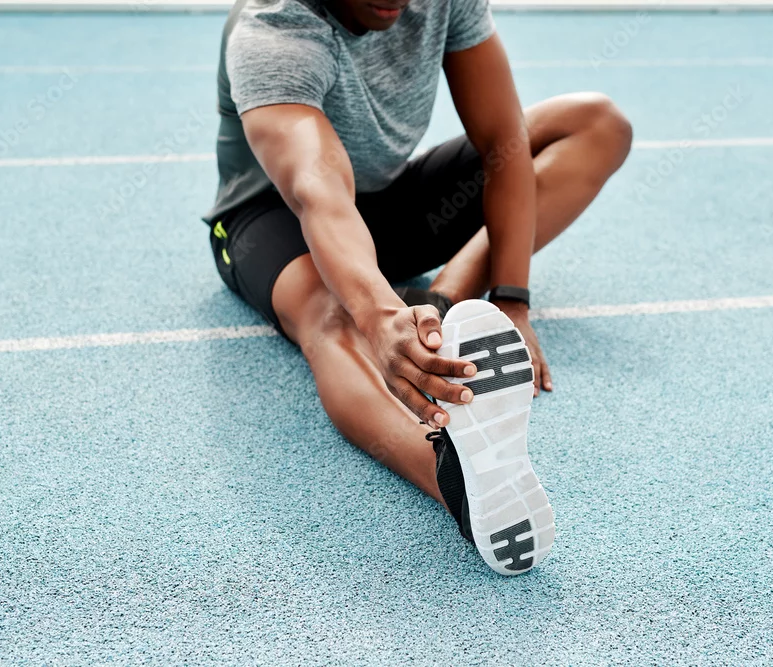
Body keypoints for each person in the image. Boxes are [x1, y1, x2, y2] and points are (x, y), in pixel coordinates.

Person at [204, 0, 632, 574]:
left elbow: (502, 141)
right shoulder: (275, 31)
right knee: (332, 316)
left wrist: (511, 299)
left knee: (596, 123)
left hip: (387, 203)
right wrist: (381, 318)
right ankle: (453, 478)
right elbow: (317, 190)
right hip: (273, 219)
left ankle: (447, 292)